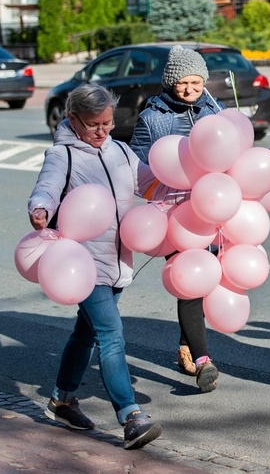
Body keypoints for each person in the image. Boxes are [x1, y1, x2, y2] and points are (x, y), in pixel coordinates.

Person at [28, 84, 168, 450]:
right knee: (110, 333)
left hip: (118, 259)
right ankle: (131, 416)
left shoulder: (120, 151)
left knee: (86, 332)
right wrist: (40, 208)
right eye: (93, 125)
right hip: (81, 264)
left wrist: (185, 189)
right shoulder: (63, 155)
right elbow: (46, 187)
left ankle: (61, 400)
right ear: (73, 119)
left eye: (107, 122)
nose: (103, 131)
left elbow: (150, 182)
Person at [129, 44, 223, 393]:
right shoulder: (152, 118)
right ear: (170, 81)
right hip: (175, 214)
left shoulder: (214, 109)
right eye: (183, 83)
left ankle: (187, 346)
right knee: (190, 280)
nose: (189, 90)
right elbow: (136, 168)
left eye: (197, 83)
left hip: (213, 209)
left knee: (207, 280)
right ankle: (203, 360)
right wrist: (168, 186)